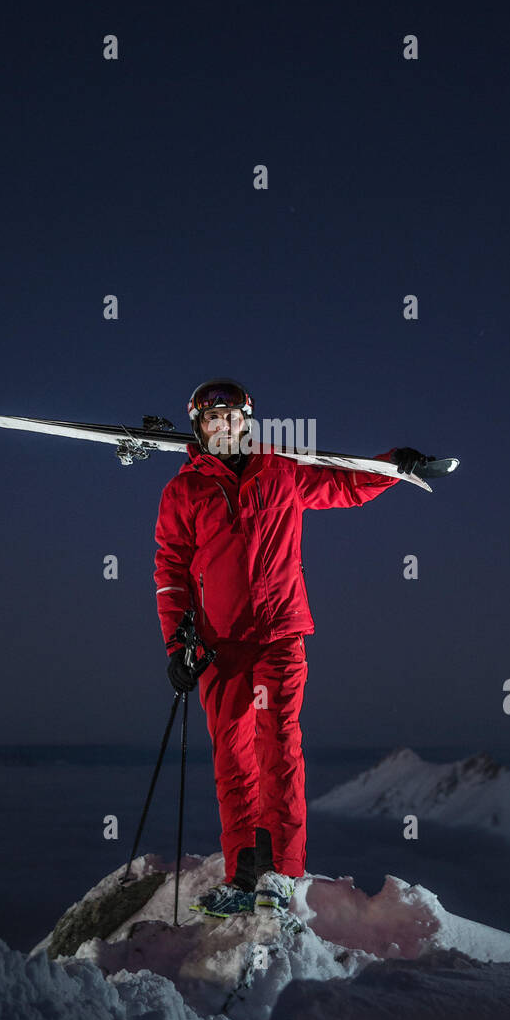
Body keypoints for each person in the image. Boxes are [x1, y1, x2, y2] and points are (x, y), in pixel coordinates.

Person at [153, 378, 433, 919]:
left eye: (232, 418)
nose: (224, 427)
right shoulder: (183, 492)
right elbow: (170, 572)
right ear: (199, 426)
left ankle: (282, 874)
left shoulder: (281, 470)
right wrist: (177, 641)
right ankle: (244, 874)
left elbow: (345, 484)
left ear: (248, 422)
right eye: (213, 420)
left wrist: (392, 466)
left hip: (280, 635)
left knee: (277, 749)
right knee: (233, 761)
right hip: (218, 646)